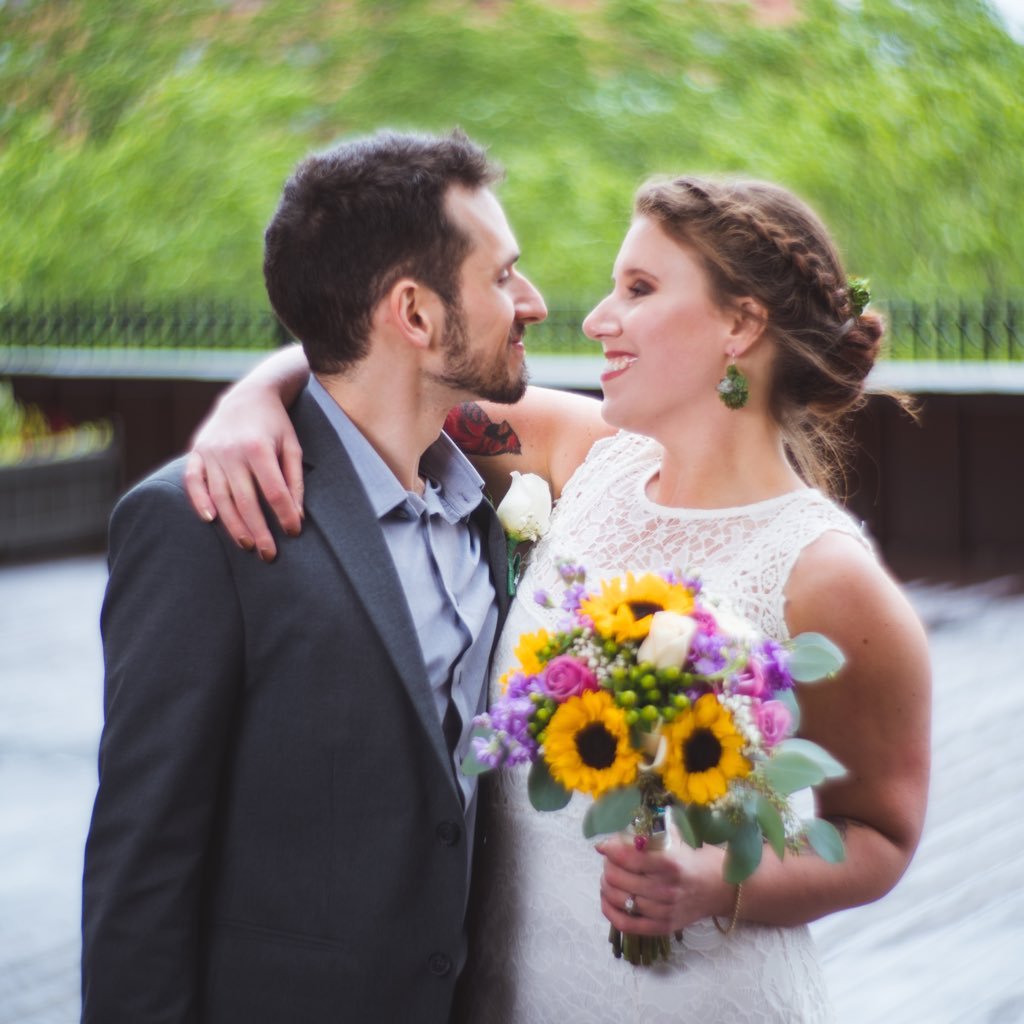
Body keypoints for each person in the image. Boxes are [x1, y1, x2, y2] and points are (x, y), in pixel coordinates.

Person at [185, 175, 931, 1022]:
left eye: (639, 290)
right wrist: (252, 397)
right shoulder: (580, 454)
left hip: (701, 995)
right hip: (508, 988)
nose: (596, 319)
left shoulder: (829, 574)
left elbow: (881, 835)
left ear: (741, 324)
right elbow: (386, 372)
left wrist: (721, 882)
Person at [80, 129, 553, 1024]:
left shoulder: (490, 495)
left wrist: (263, 379)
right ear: (413, 314)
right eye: (502, 276)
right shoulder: (200, 522)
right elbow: (143, 858)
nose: (530, 300)